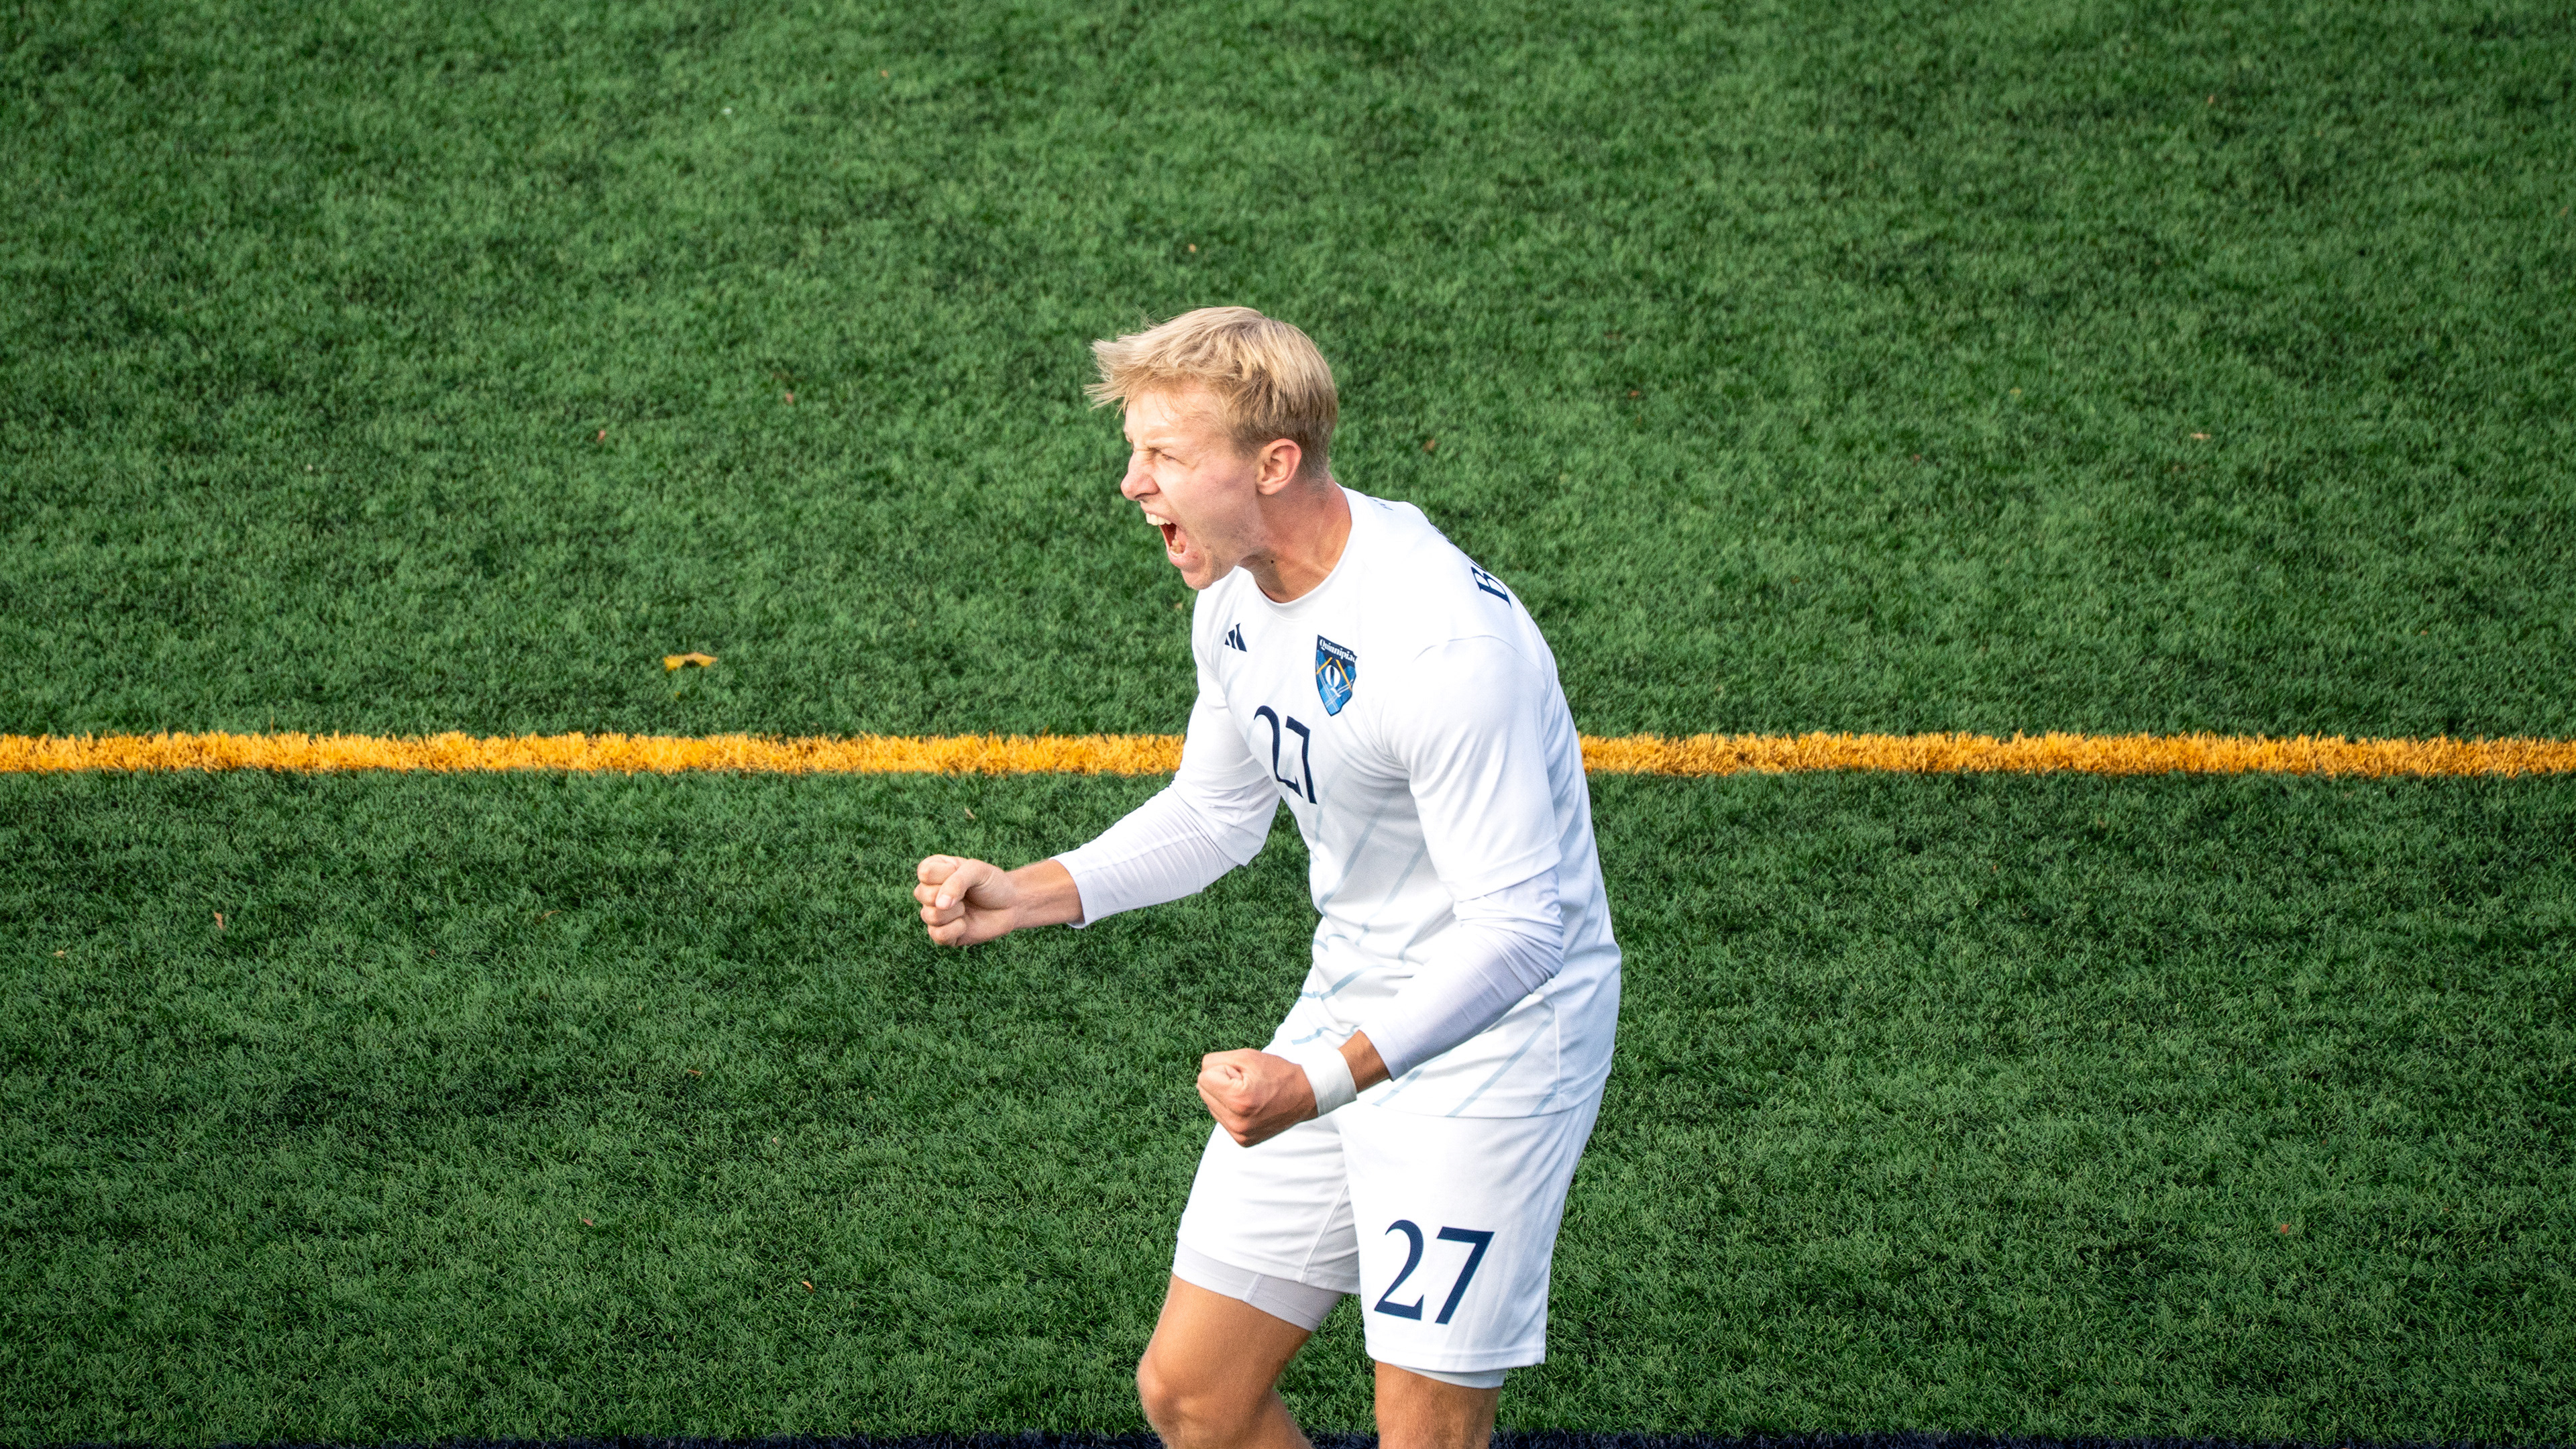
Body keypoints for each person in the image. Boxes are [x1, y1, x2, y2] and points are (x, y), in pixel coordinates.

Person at [912, 307, 1620, 1449]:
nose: (1133, 485)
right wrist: (1027, 893)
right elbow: (1215, 812)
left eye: (1165, 455)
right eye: (1135, 452)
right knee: (1194, 1392)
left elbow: (1523, 932)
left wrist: (1318, 1082)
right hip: (1348, 1007)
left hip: (1492, 1047)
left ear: (1274, 465)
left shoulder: (1442, 646)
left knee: (1423, 1434)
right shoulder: (1235, 594)